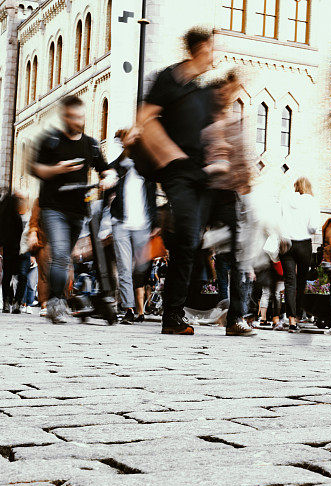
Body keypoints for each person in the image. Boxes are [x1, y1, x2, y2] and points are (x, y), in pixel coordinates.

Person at [132, 28, 216, 335]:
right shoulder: (170, 78)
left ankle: (178, 310)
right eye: (210, 51)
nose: (213, 58)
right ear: (200, 50)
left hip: (201, 176)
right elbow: (145, 117)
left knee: (192, 242)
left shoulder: (201, 91)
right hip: (178, 172)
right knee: (187, 239)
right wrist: (168, 152)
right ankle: (173, 314)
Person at [31, 95, 117, 324]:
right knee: (59, 254)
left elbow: (105, 169)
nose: (76, 121)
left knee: (65, 257)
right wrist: (57, 169)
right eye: (71, 117)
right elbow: (36, 169)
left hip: (78, 210)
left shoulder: (91, 145)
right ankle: (56, 302)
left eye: (79, 117)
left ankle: (66, 298)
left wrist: (108, 178)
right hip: (53, 207)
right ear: (64, 117)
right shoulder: (51, 141)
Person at [201, 71, 256, 336]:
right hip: (203, 192)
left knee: (237, 257)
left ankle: (236, 318)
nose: (225, 97)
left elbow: (243, 158)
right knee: (189, 251)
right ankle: (175, 313)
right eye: (221, 93)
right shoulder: (202, 122)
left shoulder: (234, 122)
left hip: (227, 195)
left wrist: (245, 184)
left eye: (229, 93)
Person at [108, 129, 158, 325]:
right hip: (120, 222)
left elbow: (153, 198)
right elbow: (108, 174)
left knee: (143, 266)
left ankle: (136, 305)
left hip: (142, 225)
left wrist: (155, 223)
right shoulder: (120, 166)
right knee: (123, 266)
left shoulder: (148, 169)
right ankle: (128, 308)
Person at [280, 177, 320, 332]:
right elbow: (313, 227)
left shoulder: (285, 199)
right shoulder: (312, 201)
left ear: (295, 187)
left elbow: (278, 220)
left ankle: (291, 320)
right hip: (303, 243)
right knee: (301, 281)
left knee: (289, 282)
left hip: (286, 243)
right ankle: (297, 316)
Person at [0, 190, 32, 314]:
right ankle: (6, 302)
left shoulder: (30, 215)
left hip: (25, 250)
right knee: (7, 275)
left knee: (23, 276)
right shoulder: (9, 215)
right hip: (10, 249)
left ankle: (18, 302)